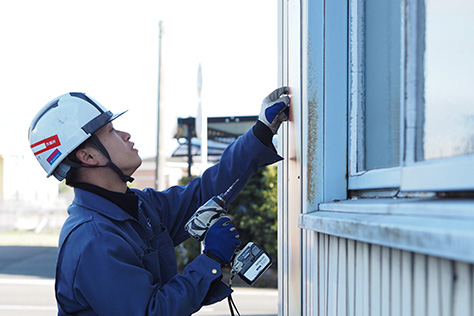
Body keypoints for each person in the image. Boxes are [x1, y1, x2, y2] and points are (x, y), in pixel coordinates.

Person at [28, 87, 290, 316]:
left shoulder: (140, 207)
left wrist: (261, 133)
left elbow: (204, 193)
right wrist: (210, 259)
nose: (126, 134)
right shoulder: (94, 240)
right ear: (88, 156)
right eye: (111, 131)